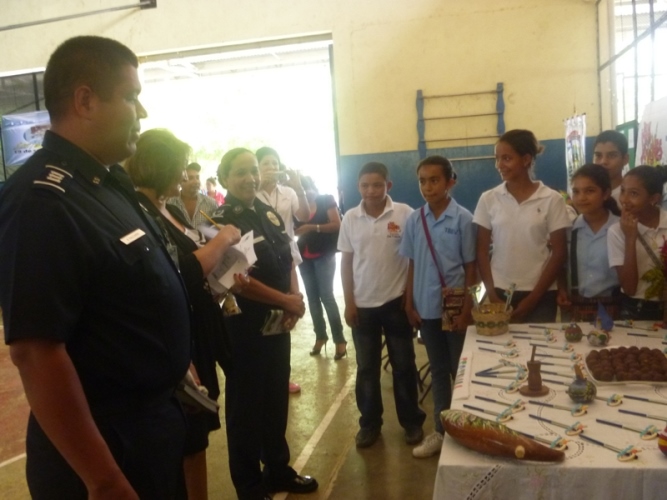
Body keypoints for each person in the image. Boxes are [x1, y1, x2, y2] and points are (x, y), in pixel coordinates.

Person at [0, 36, 191, 499]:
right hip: (105, 447)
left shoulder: (105, 184)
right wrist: (103, 480)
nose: (142, 111)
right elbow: (36, 352)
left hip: (149, 428)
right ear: (85, 101)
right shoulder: (42, 202)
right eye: (131, 96)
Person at [125, 129, 242, 500]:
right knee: (187, 435)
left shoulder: (170, 208)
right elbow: (183, 270)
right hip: (179, 337)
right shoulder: (138, 211)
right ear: (161, 167)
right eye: (179, 169)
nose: (185, 176)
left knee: (198, 433)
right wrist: (223, 240)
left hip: (199, 327)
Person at [212, 148, 318, 500]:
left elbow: (287, 258)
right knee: (246, 408)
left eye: (254, 170)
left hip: (278, 322)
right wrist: (285, 301)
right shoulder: (221, 221)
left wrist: (294, 298)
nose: (250, 178)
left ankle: (277, 470)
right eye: (241, 172)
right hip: (245, 327)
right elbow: (236, 279)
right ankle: (249, 485)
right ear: (225, 177)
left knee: (275, 399)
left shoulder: (267, 212)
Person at [338, 161, 426, 449]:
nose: (371, 191)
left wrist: (409, 297)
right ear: (358, 187)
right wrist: (349, 302)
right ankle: (370, 424)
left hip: (396, 304)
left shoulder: (404, 213)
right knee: (367, 369)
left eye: (377, 185)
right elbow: (347, 263)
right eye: (365, 185)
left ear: (388, 185)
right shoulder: (350, 218)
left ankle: (411, 422)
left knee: (404, 365)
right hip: (362, 306)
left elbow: (413, 258)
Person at [399, 155, 477, 458]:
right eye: (422, 181)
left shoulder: (463, 219)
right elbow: (412, 263)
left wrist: (468, 307)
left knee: (461, 369)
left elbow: (471, 267)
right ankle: (441, 431)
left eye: (434, 180)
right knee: (439, 370)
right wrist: (409, 302)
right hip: (426, 306)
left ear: (450, 182)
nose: (428, 187)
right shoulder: (414, 220)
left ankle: (467, 429)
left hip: (456, 307)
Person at [473, 129, 571, 323]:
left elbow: (559, 252)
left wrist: (533, 299)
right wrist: (491, 294)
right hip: (500, 291)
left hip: (541, 292)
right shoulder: (488, 199)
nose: (499, 165)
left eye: (507, 158)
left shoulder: (552, 199)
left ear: (526, 159)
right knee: (503, 342)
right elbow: (481, 251)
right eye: (497, 159)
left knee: (538, 342)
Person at [255, 146, 310, 393]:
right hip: (261, 260)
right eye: (266, 163)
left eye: (275, 164)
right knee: (265, 311)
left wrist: (298, 186)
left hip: (287, 256)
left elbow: (305, 215)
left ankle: (282, 376)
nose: (272, 168)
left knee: (289, 308)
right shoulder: (252, 193)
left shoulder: (288, 192)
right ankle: (264, 374)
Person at [557, 164, 621, 322]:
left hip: (614, 308)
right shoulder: (569, 229)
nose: (581, 198)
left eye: (590, 191)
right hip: (574, 308)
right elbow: (562, 265)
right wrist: (562, 289)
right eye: (576, 191)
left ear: (606, 193)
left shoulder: (621, 229)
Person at [294, 176, 346, 359]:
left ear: (312, 187)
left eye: (306, 189)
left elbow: (336, 225)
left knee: (327, 296)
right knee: (312, 299)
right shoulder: (296, 206)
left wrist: (311, 227)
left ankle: (339, 340)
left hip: (324, 254)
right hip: (303, 256)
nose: (305, 193)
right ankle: (320, 337)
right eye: (300, 191)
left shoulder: (326, 200)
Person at [608, 165, 667, 321]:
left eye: (634, 193)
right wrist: (630, 238)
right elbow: (629, 288)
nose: (624, 200)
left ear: (654, 199)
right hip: (635, 310)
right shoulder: (616, 231)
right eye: (622, 191)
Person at [168, 161, 218, 228]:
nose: (196, 181)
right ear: (180, 181)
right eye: (190, 178)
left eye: (197, 177)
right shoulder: (170, 203)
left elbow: (217, 228)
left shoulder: (211, 203)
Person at [593, 130, 630, 206]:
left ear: (625, 159)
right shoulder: (587, 194)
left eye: (612, 155)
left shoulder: (631, 196)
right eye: (598, 156)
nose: (603, 161)